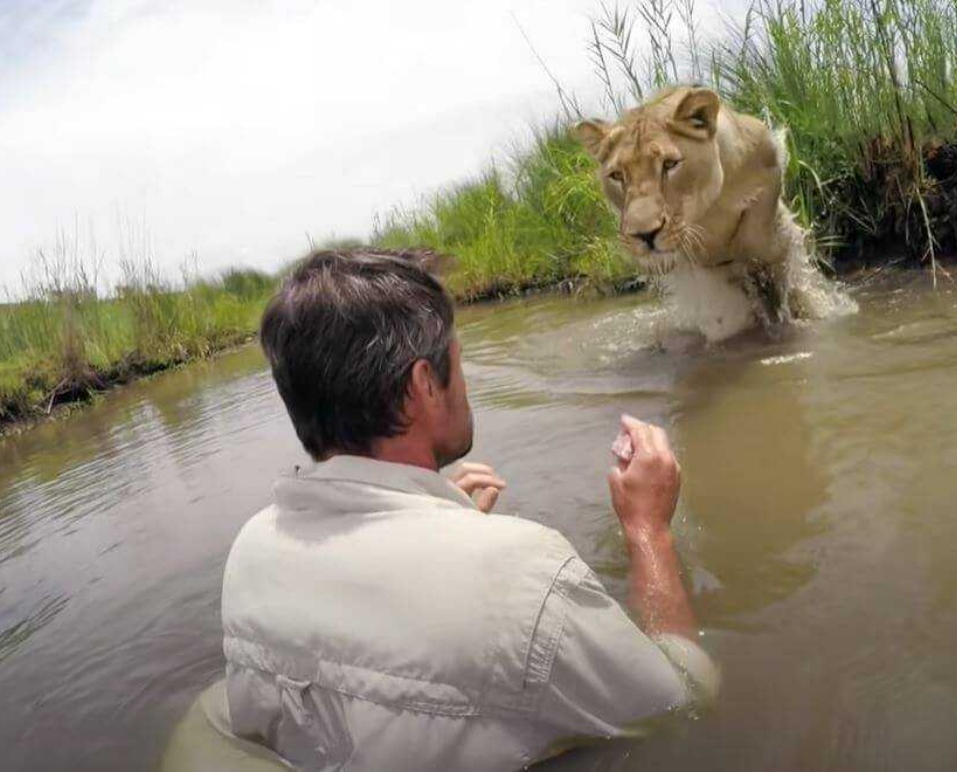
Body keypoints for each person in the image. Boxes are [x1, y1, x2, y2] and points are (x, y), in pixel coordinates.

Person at [165, 248, 718, 771]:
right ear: (424, 386)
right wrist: (648, 529)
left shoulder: (252, 548)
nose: (467, 384)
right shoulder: (522, 573)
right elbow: (681, 701)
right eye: (459, 361)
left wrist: (435, 515)